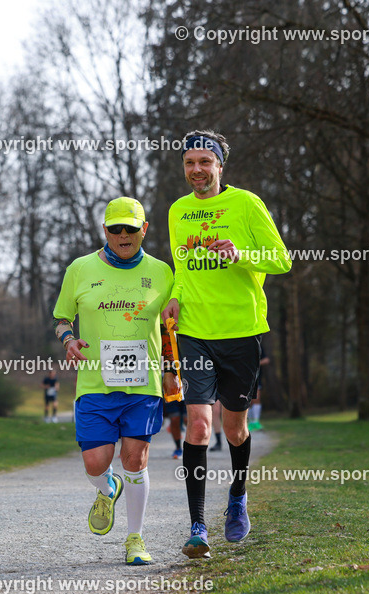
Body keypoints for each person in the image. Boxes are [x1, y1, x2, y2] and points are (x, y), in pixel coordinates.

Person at [163, 131, 291, 558]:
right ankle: (197, 526)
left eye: (205, 161)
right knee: (198, 424)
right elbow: (182, 267)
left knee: (234, 428)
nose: (196, 170)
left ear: (220, 166)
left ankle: (237, 496)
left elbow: (282, 260)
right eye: (189, 162)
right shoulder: (178, 211)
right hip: (195, 332)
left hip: (240, 332)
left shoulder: (246, 205)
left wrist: (241, 254)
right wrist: (176, 297)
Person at [53, 197, 177, 566]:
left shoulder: (162, 272)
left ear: (144, 230)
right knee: (95, 462)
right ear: (104, 230)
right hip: (94, 382)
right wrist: (68, 340)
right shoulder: (80, 268)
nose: (124, 235)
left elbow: (171, 329)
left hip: (144, 383)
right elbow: (62, 318)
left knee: (135, 459)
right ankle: (108, 488)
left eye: (131, 229)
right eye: (116, 229)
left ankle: (135, 539)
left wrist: (172, 371)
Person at [248, 352, 270, 430]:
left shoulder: (258, 345)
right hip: (244, 378)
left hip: (256, 378)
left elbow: (266, 360)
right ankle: (250, 422)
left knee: (257, 399)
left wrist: (255, 363)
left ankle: (256, 422)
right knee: (248, 401)